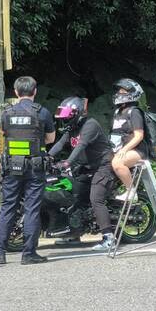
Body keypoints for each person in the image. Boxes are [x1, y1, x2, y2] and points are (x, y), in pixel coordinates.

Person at [0, 76, 55, 265]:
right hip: (35, 168)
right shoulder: (42, 113)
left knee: (8, 207)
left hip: (12, 167)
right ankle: (29, 254)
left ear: (16, 92)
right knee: (32, 209)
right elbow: (50, 139)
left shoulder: (7, 113)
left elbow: (4, 134)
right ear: (34, 91)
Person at [48, 97, 116, 247]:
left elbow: (81, 146)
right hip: (86, 167)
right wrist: (46, 158)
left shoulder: (90, 125)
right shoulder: (71, 128)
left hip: (102, 166)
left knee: (95, 199)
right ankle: (75, 232)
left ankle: (109, 238)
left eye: (67, 118)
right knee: (73, 194)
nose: (65, 121)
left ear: (77, 114)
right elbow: (60, 144)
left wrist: (67, 163)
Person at [110, 78, 147, 203]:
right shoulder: (117, 112)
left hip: (137, 150)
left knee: (117, 163)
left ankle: (131, 191)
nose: (120, 93)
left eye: (123, 91)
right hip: (119, 148)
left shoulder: (134, 112)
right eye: (119, 91)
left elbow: (139, 136)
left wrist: (124, 150)